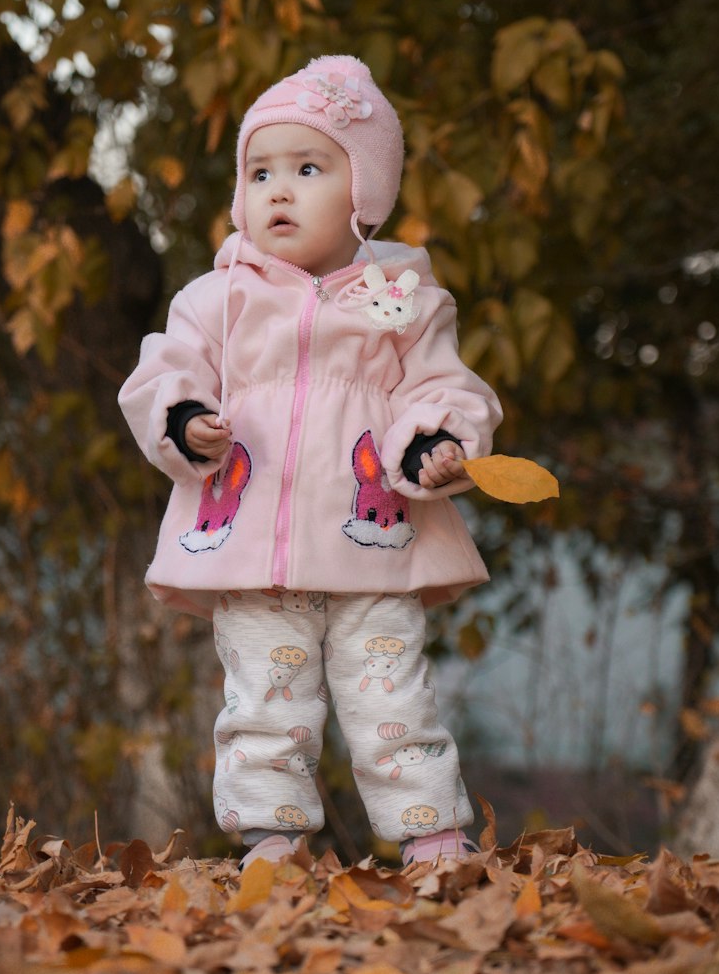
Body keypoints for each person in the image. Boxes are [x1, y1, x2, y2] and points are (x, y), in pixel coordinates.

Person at [119, 56, 502, 869]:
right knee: (263, 701)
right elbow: (163, 370)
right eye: (261, 172)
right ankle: (272, 843)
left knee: (391, 694)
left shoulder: (400, 295)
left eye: (307, 167)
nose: (279, 190)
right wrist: (184, 419)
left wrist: (435, 442)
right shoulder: (216, 297)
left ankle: (433, 835)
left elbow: (444, 386)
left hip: (375, 545)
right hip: (254, 546)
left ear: (363, 191)